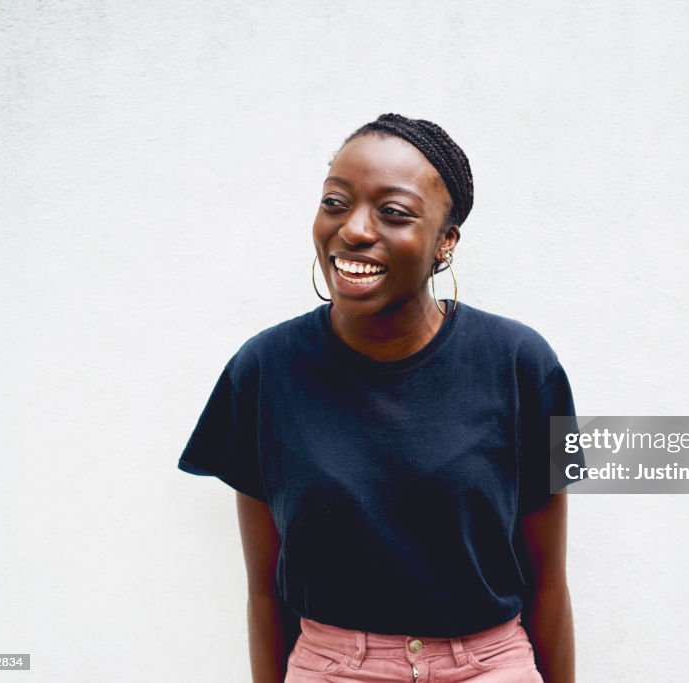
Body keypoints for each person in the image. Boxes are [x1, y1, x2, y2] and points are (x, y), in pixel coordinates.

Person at [178, 113, 584, 682]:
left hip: (489, 668)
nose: (355, 230)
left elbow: (549, 585)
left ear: (446, 241)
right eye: (336, 203)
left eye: (393, 212)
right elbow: (266, 595)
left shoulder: (521, 364)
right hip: (332, 668)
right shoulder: (264, 370)